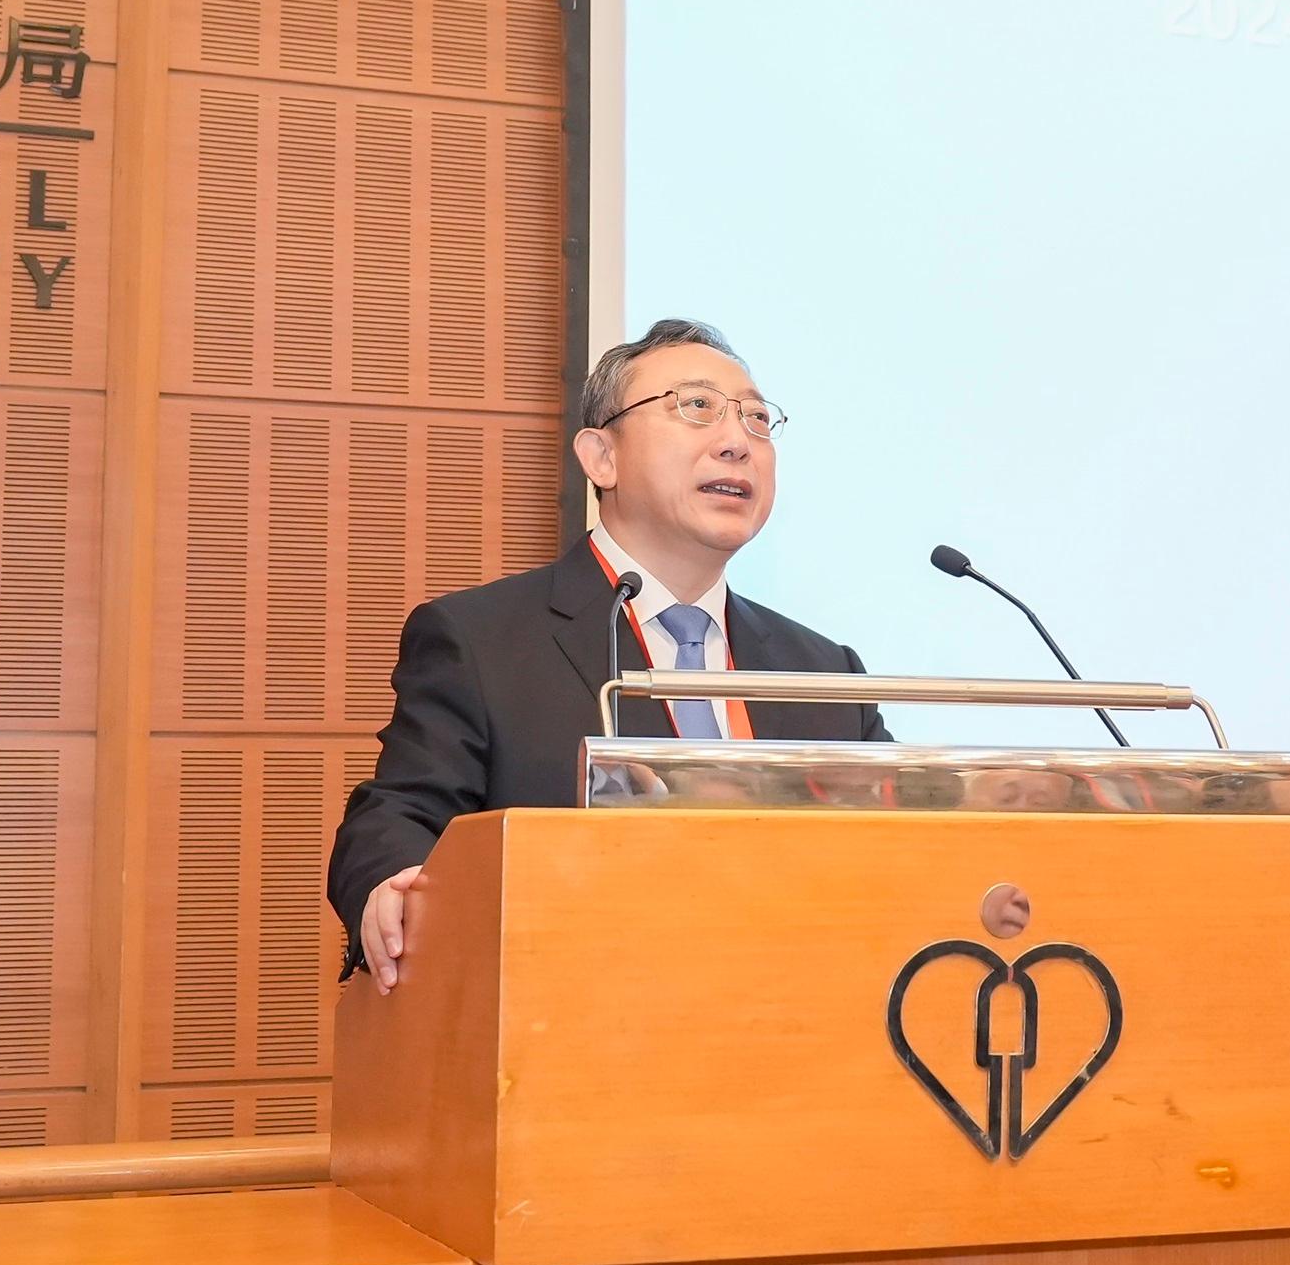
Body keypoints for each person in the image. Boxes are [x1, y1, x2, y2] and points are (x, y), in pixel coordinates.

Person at [326, 319, 889, 989]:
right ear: (601, 457)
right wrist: (392, 887)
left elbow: (900, 858)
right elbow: (396, 816)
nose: (738, 442)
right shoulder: (480, 639)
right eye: (698, 408)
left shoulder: (824, 672)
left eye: (758, 419)